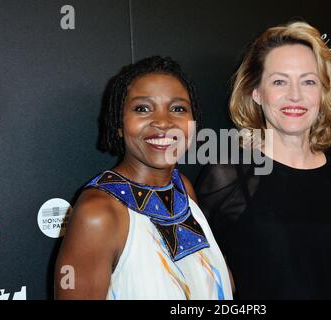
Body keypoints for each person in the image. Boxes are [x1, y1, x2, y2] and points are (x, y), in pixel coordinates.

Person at [195, 21, 331, 299]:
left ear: (323, 93)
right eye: (279, 81)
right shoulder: (228, 177)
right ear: (256, 92)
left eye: (308, 81)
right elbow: (202, 283)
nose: (295, 95)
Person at [54, 56, 233, 300]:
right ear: (119, 123)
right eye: (143, 108)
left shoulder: (183, 189)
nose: (163, 121)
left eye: (178, 108)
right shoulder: (98, 213)